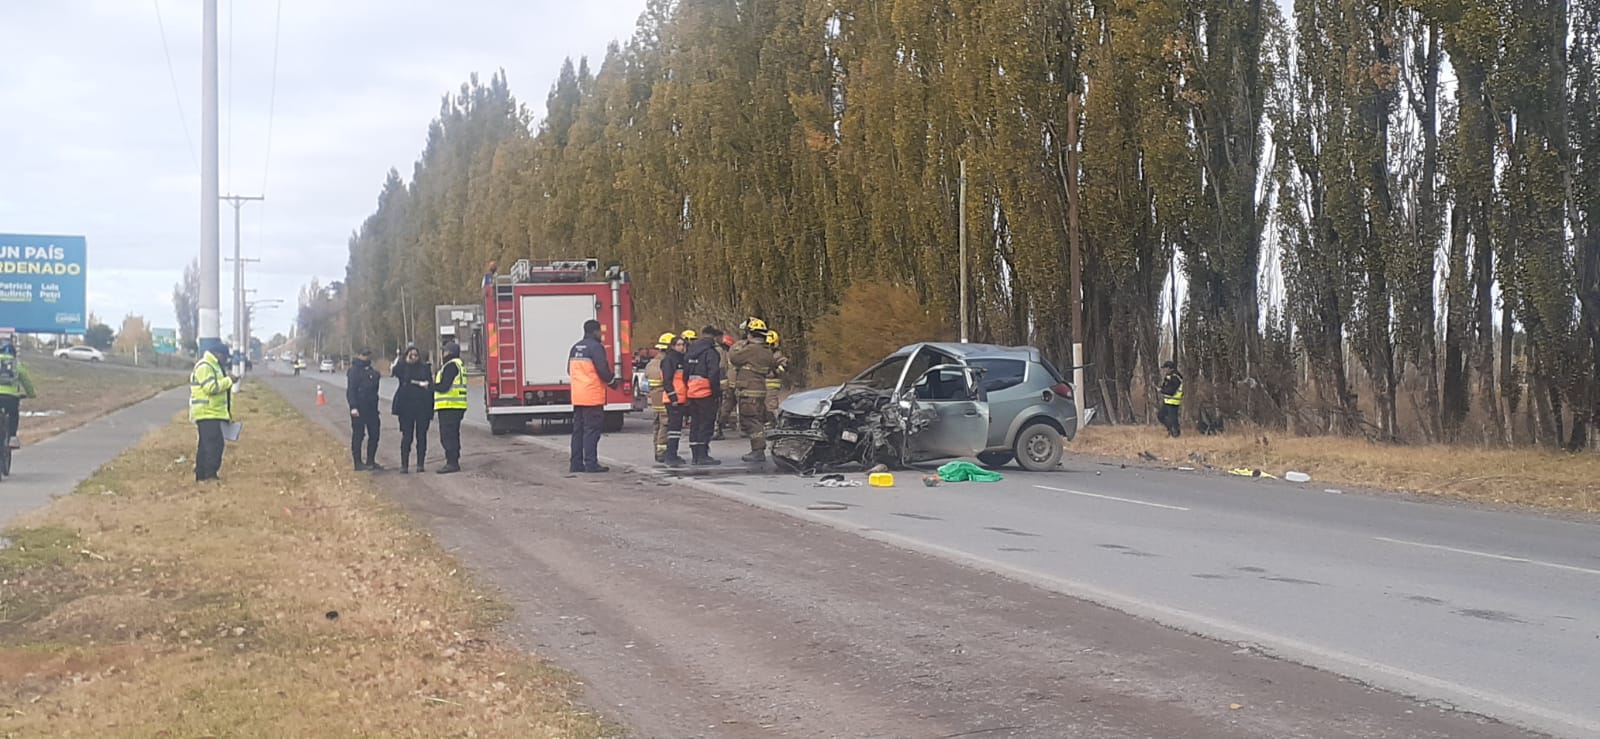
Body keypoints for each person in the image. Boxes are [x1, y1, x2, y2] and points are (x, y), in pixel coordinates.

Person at [568, 319, 618, 473]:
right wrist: (612, 382)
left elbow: (569, 371)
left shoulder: (575, 347)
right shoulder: (596, 348)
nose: (601, 334)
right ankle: (591, 463)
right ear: (595, 331)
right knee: (592, 431)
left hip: (578, 396)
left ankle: (576, 464)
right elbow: (602, 369)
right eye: (600, 332)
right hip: (592, 396)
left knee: (578, 431)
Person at [729, 319, 778, 463]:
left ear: (750, 334)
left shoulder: (751, 350)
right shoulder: (767, 351)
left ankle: (758, 451)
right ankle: (758, 449)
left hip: (749, 390)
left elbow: (734, 358)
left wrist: (739, 345)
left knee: (751, 421)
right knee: (756, 419)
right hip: (760, 389)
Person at [191, 343, 238, 482]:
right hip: (207, 412)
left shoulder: (214, 366)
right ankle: (210, 475)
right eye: (224, 356)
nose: (225, 360)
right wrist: (229, 380)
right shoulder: (205, 366)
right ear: (218, 354)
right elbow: (210, 388)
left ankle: (202, 475)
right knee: (213, 445)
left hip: (213, 412)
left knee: (206, 445)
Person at [682, 326, 724, 466]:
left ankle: (695, 455)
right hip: (706, 393)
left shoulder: (690, 351)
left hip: (691, 392)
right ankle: (703, 455)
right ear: (714, 337)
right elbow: (713, 374)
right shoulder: (711, 353)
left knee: (695, 423)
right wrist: (716, 392)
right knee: (706, 423)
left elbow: (685, 373)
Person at [391, 343, 434, 473]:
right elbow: (395, 371)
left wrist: (431, 408)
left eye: (416, 355)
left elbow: (430, 386)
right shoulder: (403, 367)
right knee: (407, 436)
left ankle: (420, 464)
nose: (414, 357)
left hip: (422, 407)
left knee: (421, 436)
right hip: (406, 408)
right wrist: (403, 360)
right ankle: (404, 464)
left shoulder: (424, 368)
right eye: (411, 354)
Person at [432, 341, 469, 474]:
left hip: (450, 406)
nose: (443, 353)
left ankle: (452, 463)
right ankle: (454, 461)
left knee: (448, 436)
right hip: (456, 406)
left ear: (450, 353)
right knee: (453, 434)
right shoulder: (458, 365)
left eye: (445, 351)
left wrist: (429, 387)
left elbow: (443, 387)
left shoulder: (451, 366)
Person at [345, 348, 383, 471]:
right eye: (364, 354)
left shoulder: (371, 371)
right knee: (358, 435)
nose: (366, 357)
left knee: (375, 434)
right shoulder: (354, 371)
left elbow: (374, 388)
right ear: (359, 355)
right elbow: (351, 391)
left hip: (372, 409)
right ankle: (358, 463)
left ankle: (370, 461)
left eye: (368, 354)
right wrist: (353, 407)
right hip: (359, 409)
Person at [659, 331, 692, 467]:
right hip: (673, 399)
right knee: (673, 428)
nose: (681, 347)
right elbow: (667, 380)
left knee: (677, 428)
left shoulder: (682, 359)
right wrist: (673, 396)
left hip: (681, 398)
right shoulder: (669, 360)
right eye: (678, 345)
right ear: (672, 346)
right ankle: (670, 455)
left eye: (683, 344)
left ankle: (673, 453)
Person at [644, 333, 675, 463]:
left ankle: (657, 450)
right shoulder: (665, 362)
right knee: (665, 424)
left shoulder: (652, 363)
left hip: (654, 398)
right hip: (663, 396)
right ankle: (662, 451)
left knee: (657, 423)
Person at [0, 339, 36, 449]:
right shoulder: (17, 365)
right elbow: (26, 381)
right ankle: (12, 437)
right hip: (11, 397)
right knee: (13, 414)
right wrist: (31, 394)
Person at [715, 332, 736, 440]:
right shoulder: (726, 354)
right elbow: (722, 369)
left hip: (730, 385)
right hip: (730, 385)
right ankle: (719, 428)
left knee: (726, 407)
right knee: (726, 407)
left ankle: (719, 428)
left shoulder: (724, 354)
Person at [764, 329, 788, 421]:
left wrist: (774, 372)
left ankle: (775, 422)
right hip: (763, 383)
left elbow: (785, 366)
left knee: (771, 404)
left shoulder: (778, 355)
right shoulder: (764, 354)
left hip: (772, 383)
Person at [1158, 360, 1184, 438]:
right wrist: (1161, 387)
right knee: (1161, 416)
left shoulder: (1175, 376)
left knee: (1173, 418)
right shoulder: (1169, 376)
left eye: (1165, 368)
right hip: (1167, 400)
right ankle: (1171, 430)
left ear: (1169, 368)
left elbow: (1172, 390)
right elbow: (1167, 386)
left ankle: (1175, 434)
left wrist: (1162, 390)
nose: (1164, 370)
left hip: (1173, 401)